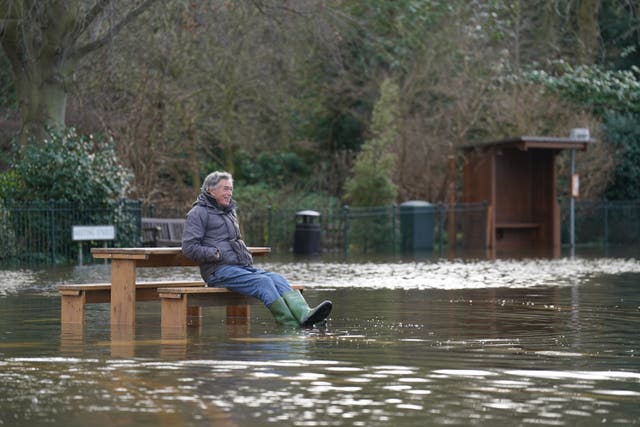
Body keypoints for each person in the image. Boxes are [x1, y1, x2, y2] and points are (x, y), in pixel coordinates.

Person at [182, 171, 332, 328]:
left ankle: (305, 315)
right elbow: (189, 247)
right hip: (217, 271)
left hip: (240, 267)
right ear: (211, 190)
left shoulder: (229, 212)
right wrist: (215, 253)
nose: (229, 193)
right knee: (263, 282)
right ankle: (289, 325)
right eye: (225, 189)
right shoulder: (198, 213)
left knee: (277, 279)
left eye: (231, 189)